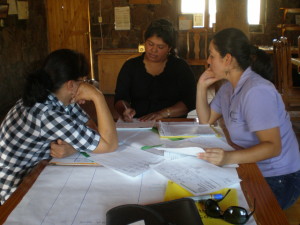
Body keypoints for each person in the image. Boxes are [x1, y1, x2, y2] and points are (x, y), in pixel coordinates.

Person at [196, 28, 300, 210]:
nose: (208, 61)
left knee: (232, 214)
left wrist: (227, 158)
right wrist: (201, 88)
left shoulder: (256, 91)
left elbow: (273, 147)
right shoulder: (228, 88)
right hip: (252, 167)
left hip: (281, 177)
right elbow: (206, 121)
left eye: (212, 56)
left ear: (227, 59)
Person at [0, 49, 118, 205]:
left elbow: (94, 131)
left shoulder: (55, 98)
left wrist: (74, 148)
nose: (86, 87)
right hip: (15, 192)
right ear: (70, 84)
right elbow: (110, 144)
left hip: (35, 173)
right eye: (84, 82)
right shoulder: (47, 114)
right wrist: (98, 96)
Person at [114, 18, 196, 122]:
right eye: (150, 44)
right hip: (139, 122)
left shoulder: (180, 67)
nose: (153, 50)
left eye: (160, 47)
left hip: (172, 123)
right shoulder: (131, 66)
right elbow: (120, 98)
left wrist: (164, 113)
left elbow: (191, 101)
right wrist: (125, 110)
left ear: (169, 48)